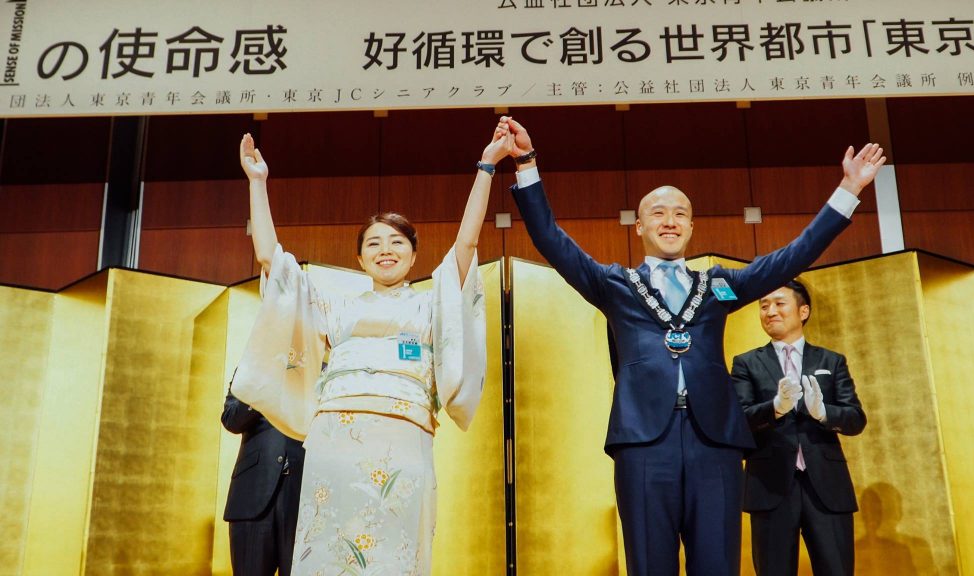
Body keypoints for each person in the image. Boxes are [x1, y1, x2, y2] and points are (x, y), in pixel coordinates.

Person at [501, 116, 884, 576]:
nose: (670, 221)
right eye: (659, 213)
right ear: (638, 226)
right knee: (650, 564)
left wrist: (849, 190)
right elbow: (550, 238)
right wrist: (526, 163)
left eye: (680, 213)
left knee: (718, 564)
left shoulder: (718, 284)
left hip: (715, 442)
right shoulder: (615, 285)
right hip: (644, 443)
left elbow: (793, 255)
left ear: (691, 226)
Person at [230, 124, 512, 575]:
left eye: (397, 242)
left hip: (405, 436)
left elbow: (467, 242)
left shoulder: (430, 305)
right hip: (334, 439)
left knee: (395, 549)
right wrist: (258, 182)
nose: (386, 250)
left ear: (414, 255)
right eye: (374, 244)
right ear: (360, 259)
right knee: (329, 548)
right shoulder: (334, 305)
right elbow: (271, 260)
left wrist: (487, 167)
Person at [731, 280, 866, 576]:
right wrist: (775, 407)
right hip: (769, 486)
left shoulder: (831, 360)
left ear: (803, 311)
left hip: (827, 486)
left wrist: (823, 412)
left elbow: (856, 418)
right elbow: (737, 420)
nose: (770, 311)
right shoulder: (746, 363)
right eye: (764, 306)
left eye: (779, 304)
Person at [222, 377, 305, 576]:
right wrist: (265, 380)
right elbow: (232, 420)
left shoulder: (324, 365)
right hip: (253, 491)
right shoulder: (253, 367)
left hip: (306, 494)